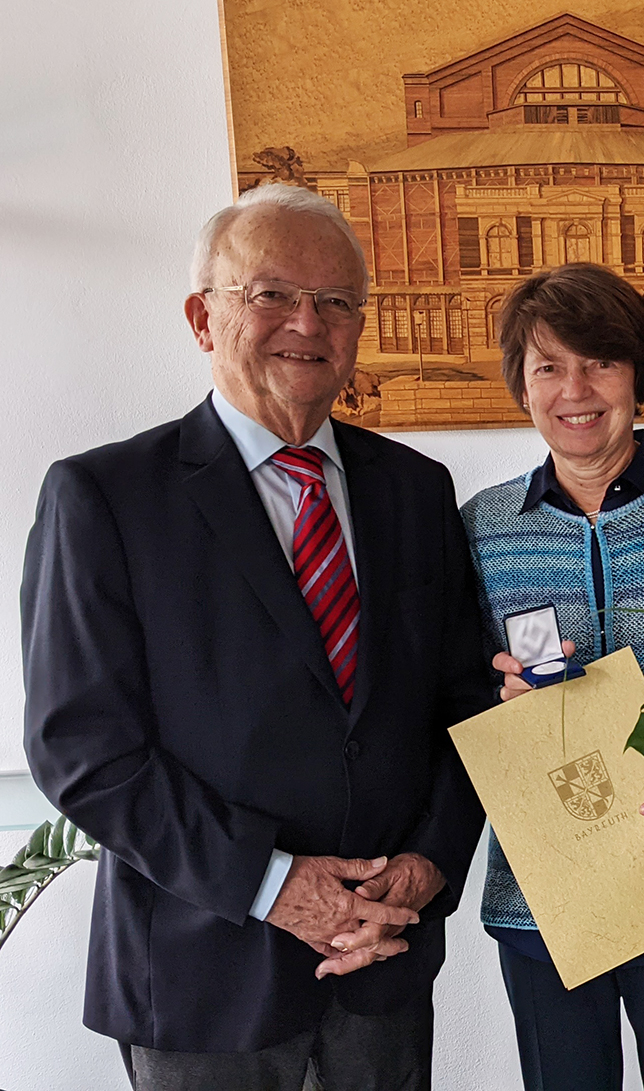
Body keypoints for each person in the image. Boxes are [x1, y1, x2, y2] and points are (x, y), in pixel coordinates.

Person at [21, 183, 492, 1090]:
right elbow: (81, 747)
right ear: (204, 317)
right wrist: (274, 883)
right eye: (271, 293)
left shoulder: (415, 489)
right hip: (204, 975)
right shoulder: (105, 498)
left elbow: (463, 704)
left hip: (381, 972)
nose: (306, 322)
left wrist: (430, 863)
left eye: (336, 302)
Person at [459, 263, 644, 1091]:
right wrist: (494, 695)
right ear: (521, 386)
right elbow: (447, 693)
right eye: (548, 366)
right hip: (543, 893)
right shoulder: (480, 528)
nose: (575, 389)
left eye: (599, 361)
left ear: (638, 374)